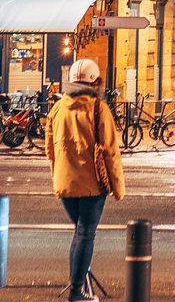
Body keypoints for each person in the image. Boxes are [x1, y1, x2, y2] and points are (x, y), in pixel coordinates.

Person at [45, 59, 125, 302]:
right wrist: (118, 187)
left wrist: (57, 177)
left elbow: (50, 150)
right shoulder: (99, 109)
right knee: (86, 234)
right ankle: (76, 291)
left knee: (79, 233)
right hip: (92, 185)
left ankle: (76, 285)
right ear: (96, 82)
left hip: (65, 183)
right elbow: (111, 152)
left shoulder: (57, 109)